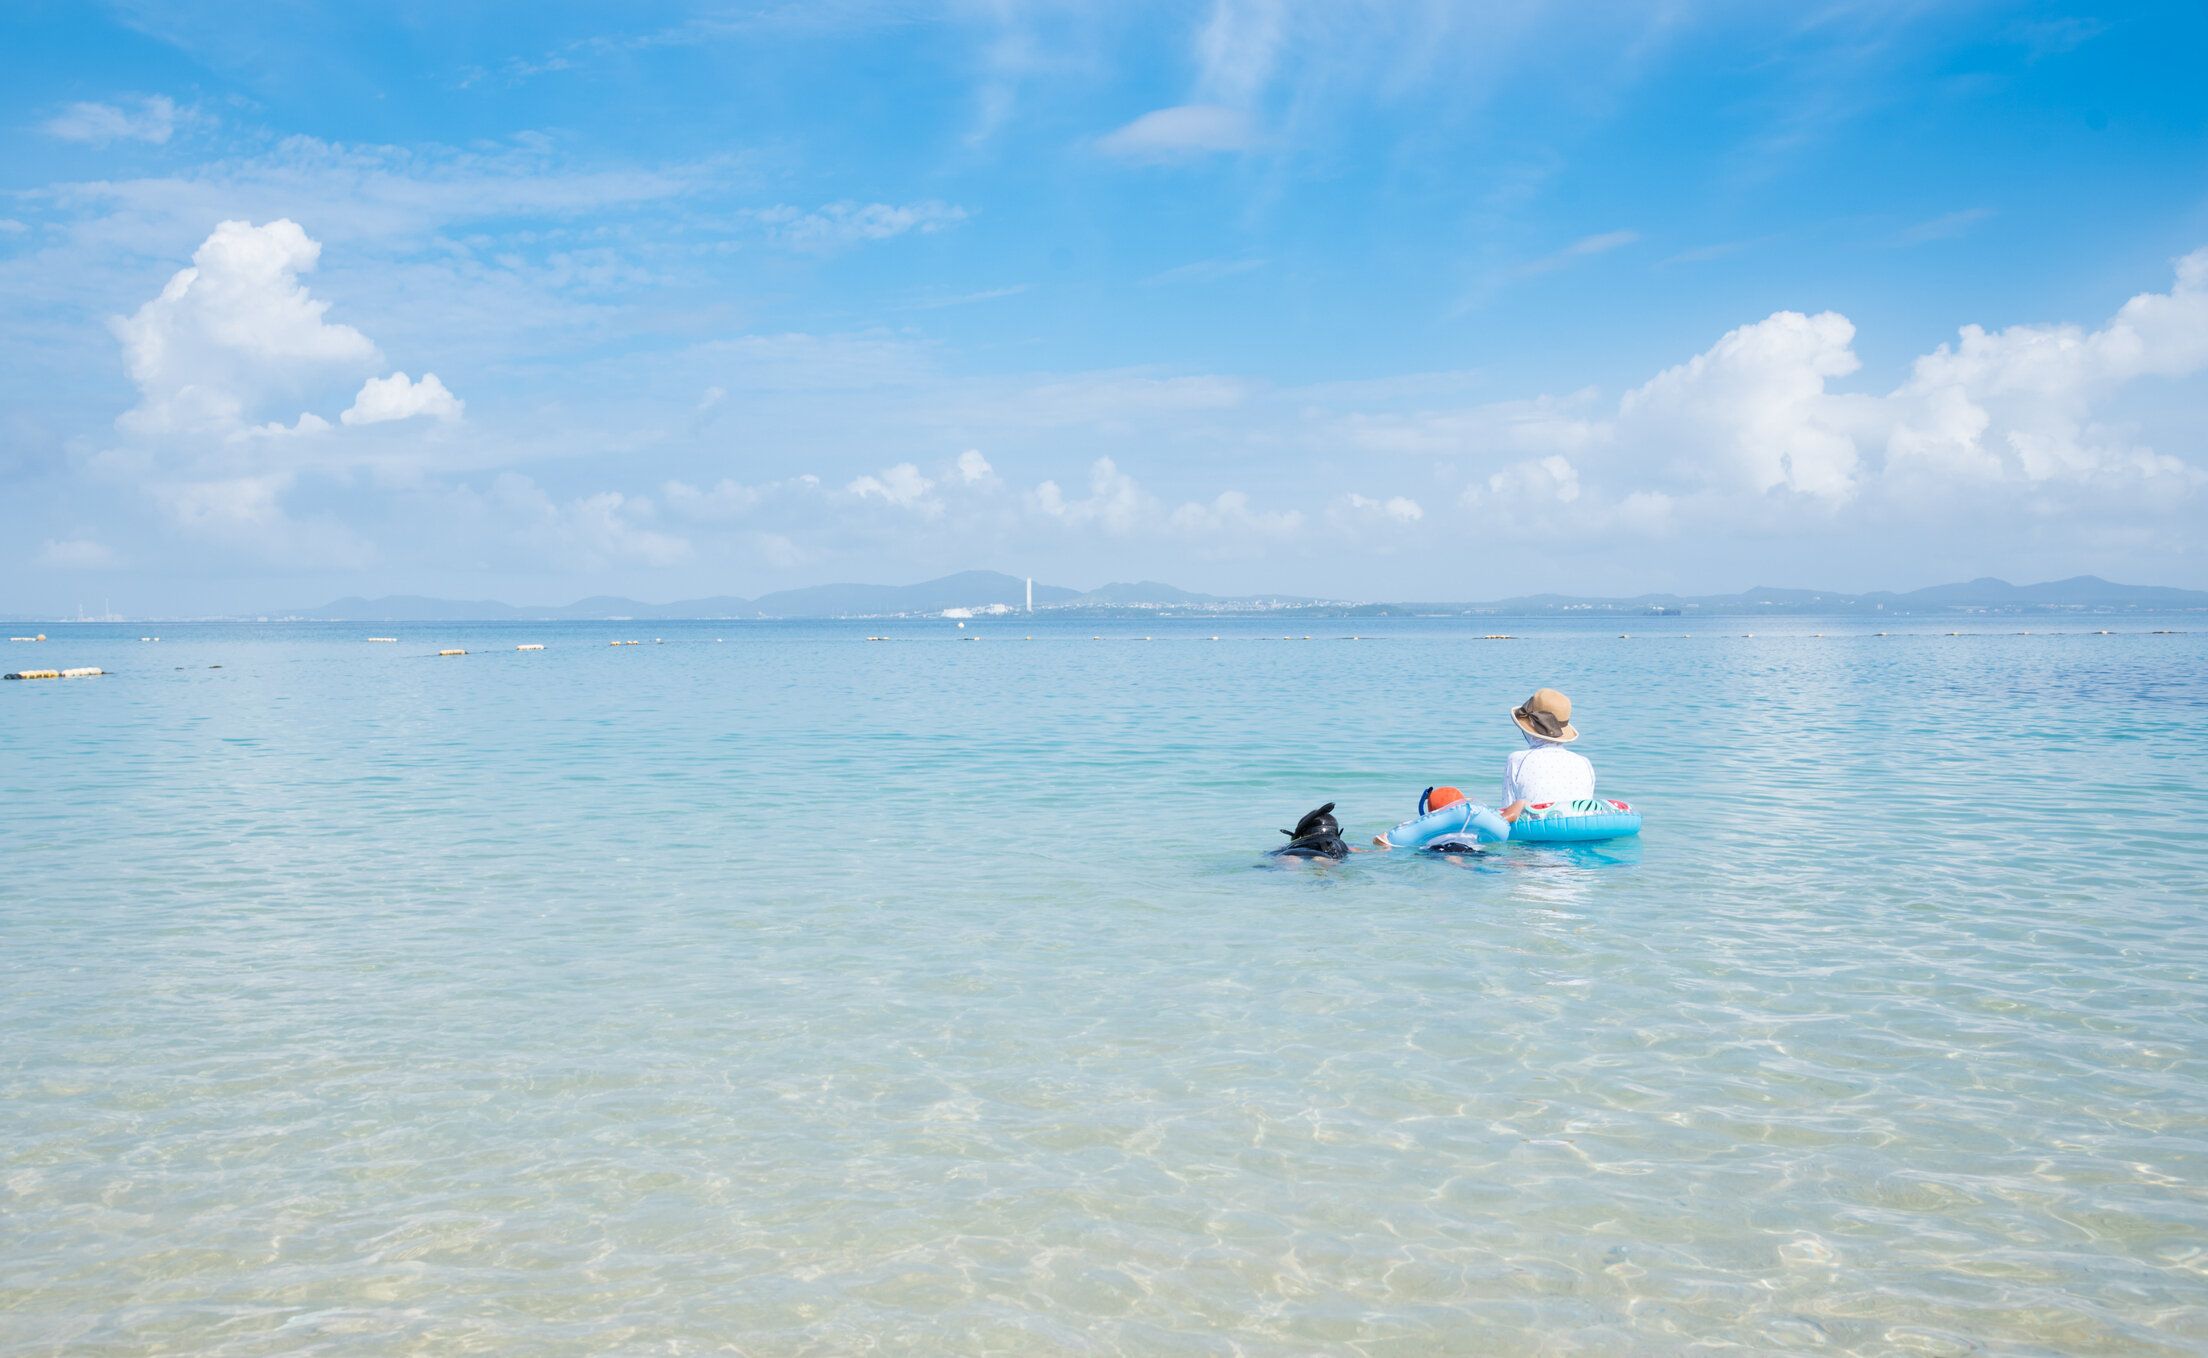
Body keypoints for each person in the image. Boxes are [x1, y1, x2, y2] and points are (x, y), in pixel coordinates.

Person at [1499, 687, 1595, 823]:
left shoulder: (1517, 759)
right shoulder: (1584, 762)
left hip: (1534, 839)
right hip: (1580, 836)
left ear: (1529, 727)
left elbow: (1507, 812)